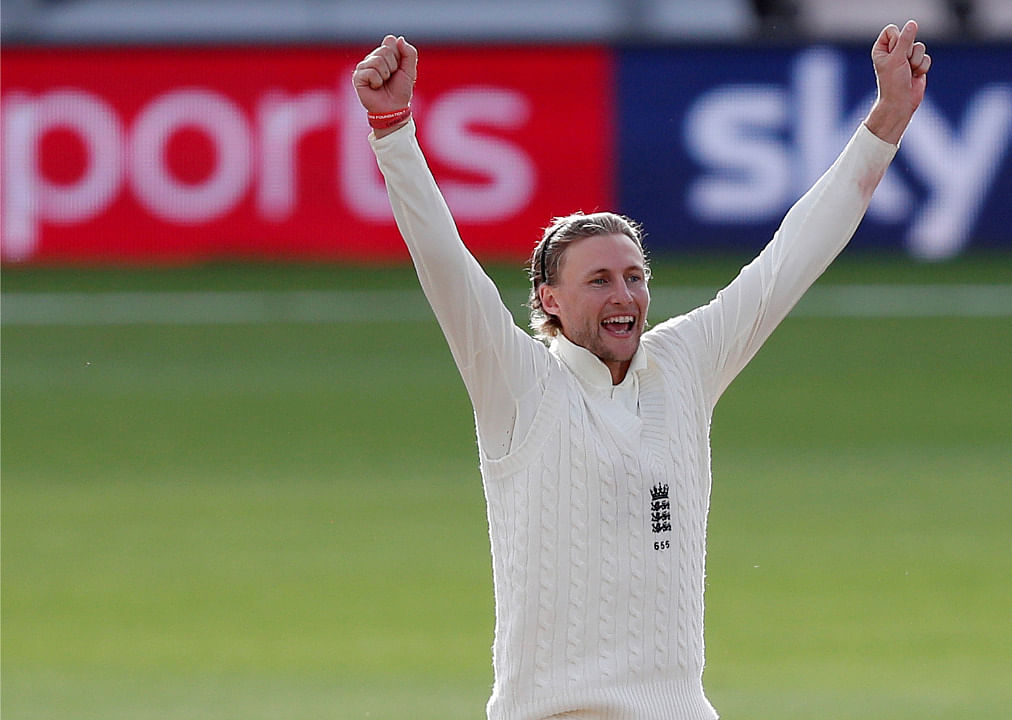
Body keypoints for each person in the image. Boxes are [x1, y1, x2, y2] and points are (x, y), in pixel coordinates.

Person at [352, 21, 929, 720]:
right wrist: (393, 131)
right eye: (599, 281)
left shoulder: (682, 365)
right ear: (550, 302)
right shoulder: (518, 384)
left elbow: (790, 259)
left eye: (634, 276)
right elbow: (444, 263)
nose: (624, 296)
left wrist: (887, 120)